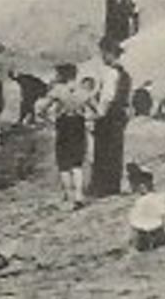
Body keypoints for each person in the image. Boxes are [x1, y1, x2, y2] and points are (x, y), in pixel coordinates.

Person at [38, 64, 91, 210]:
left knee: (64, 163)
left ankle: (69, 197)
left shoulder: (58, 90)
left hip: (64, 125)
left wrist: (50, 120)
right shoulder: (83, 90)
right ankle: (79, 195)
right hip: (79, 125)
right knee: (77, 162)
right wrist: (87, 118)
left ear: (63, 75)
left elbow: (41, 110)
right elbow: (97, 110)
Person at [88, 37, 133, 198]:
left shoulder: (110, 73)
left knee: (103, 150)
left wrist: (98, 114)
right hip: (119, 114)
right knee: (115, 149)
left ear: (109, 54)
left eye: (103, 53)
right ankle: (113, 184)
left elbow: (107, 97)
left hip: (109, 115)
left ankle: (103, 186)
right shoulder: (124, 73)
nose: (102, 57)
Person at [127, 166, 165, 251]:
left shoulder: (163, 198)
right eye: (135, 181)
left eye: (143, 180)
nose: (140, 185)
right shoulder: (137, 205)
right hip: (144, 243)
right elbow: (134, 232)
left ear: (150, 181)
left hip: (161, 240)